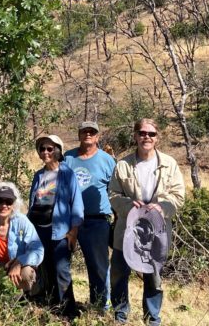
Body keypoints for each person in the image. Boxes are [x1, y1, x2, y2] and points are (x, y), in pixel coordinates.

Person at [108, 118, 185, 326]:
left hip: (157, 231)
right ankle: (120, 316)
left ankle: (152, 318)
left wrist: (162, 207)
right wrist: (128, 205)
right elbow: (113, 195)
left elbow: (178, 196)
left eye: (151, 134)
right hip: (127, 229)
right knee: (118, 273)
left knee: (154, 276)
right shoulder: (123, 165)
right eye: (142, 133)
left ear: (157, 138)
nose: (146, 137)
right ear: (135, 135)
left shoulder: (169, 164)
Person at [28, 134, 84, 318]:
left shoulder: (66, 173)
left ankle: (69, 312)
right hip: (40, 230)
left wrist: (74, 230)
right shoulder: (39, 175)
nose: (45, 152)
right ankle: (53, 308)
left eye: (50, 149)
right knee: (47, 269)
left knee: (62, 271)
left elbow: (76, 203)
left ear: (57, 151)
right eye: (42, 148)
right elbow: (33, 203)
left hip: (60, 232)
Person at [64, 121, 116, 311]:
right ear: (79, 135)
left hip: (97, 220)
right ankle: (64, 304)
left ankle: (101, 305)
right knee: (62, 263)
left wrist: (117, 219)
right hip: (68, 221)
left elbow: (115, 190)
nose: (88, 134)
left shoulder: (107, 160)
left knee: (99, 266)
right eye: (84, 131)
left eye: (92, 132)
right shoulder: (68, 158)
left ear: (97, 136)